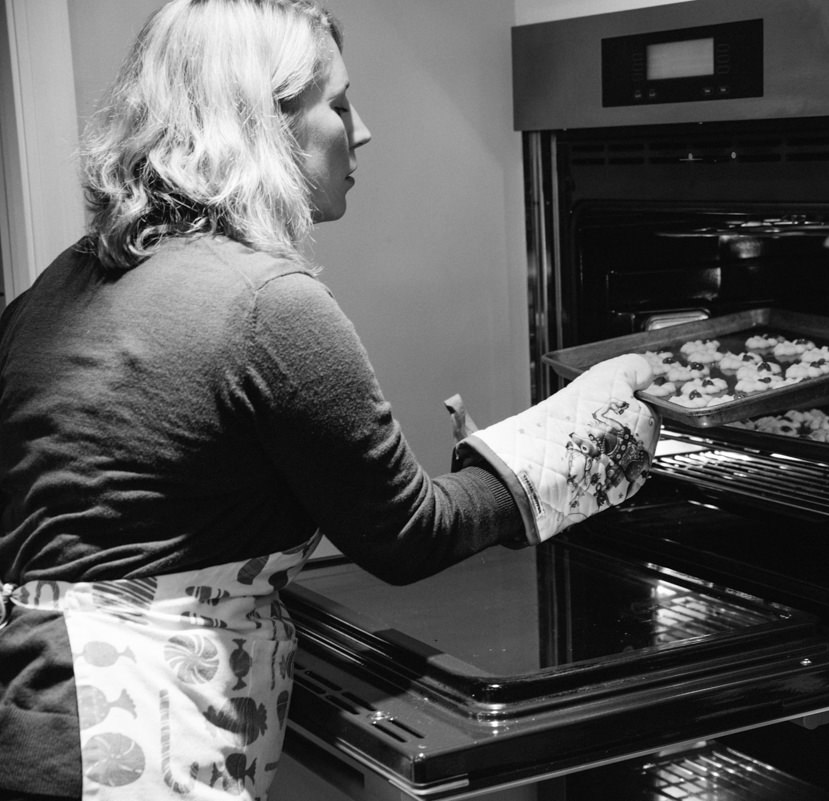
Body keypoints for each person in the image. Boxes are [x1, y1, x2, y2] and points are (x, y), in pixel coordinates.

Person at [0, 1, 659, 799]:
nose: (364, 130)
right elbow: (405, 534)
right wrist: (589, 435)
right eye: (340, 104)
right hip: (126, 745)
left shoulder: (57, 286)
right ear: (262, 123)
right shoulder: (266, 302)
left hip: (32, 713)